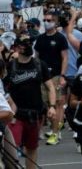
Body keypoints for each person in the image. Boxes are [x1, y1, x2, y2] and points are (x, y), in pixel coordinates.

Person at [7, 36, 57, 169]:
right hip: (15, 115)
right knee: (12, 148)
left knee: (32, 148)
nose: (28, 46)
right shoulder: (10, 66)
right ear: (17, 47)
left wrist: (52, 106)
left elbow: (50, 86)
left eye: (30, 43)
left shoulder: (40, 64)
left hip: (34, 114)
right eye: (25, 44)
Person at [33, 10, 68, 145]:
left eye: (49, 20)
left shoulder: (60, 38)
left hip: (55, 75)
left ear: (55, 22)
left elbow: (65, 57)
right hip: (42, 76)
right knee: (45, 104)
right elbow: (36, 57)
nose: (46, 22)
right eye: (45, 20)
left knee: (56, 104)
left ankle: (55, 133)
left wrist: (63, 76)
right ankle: (48, 129)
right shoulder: (40, 39)